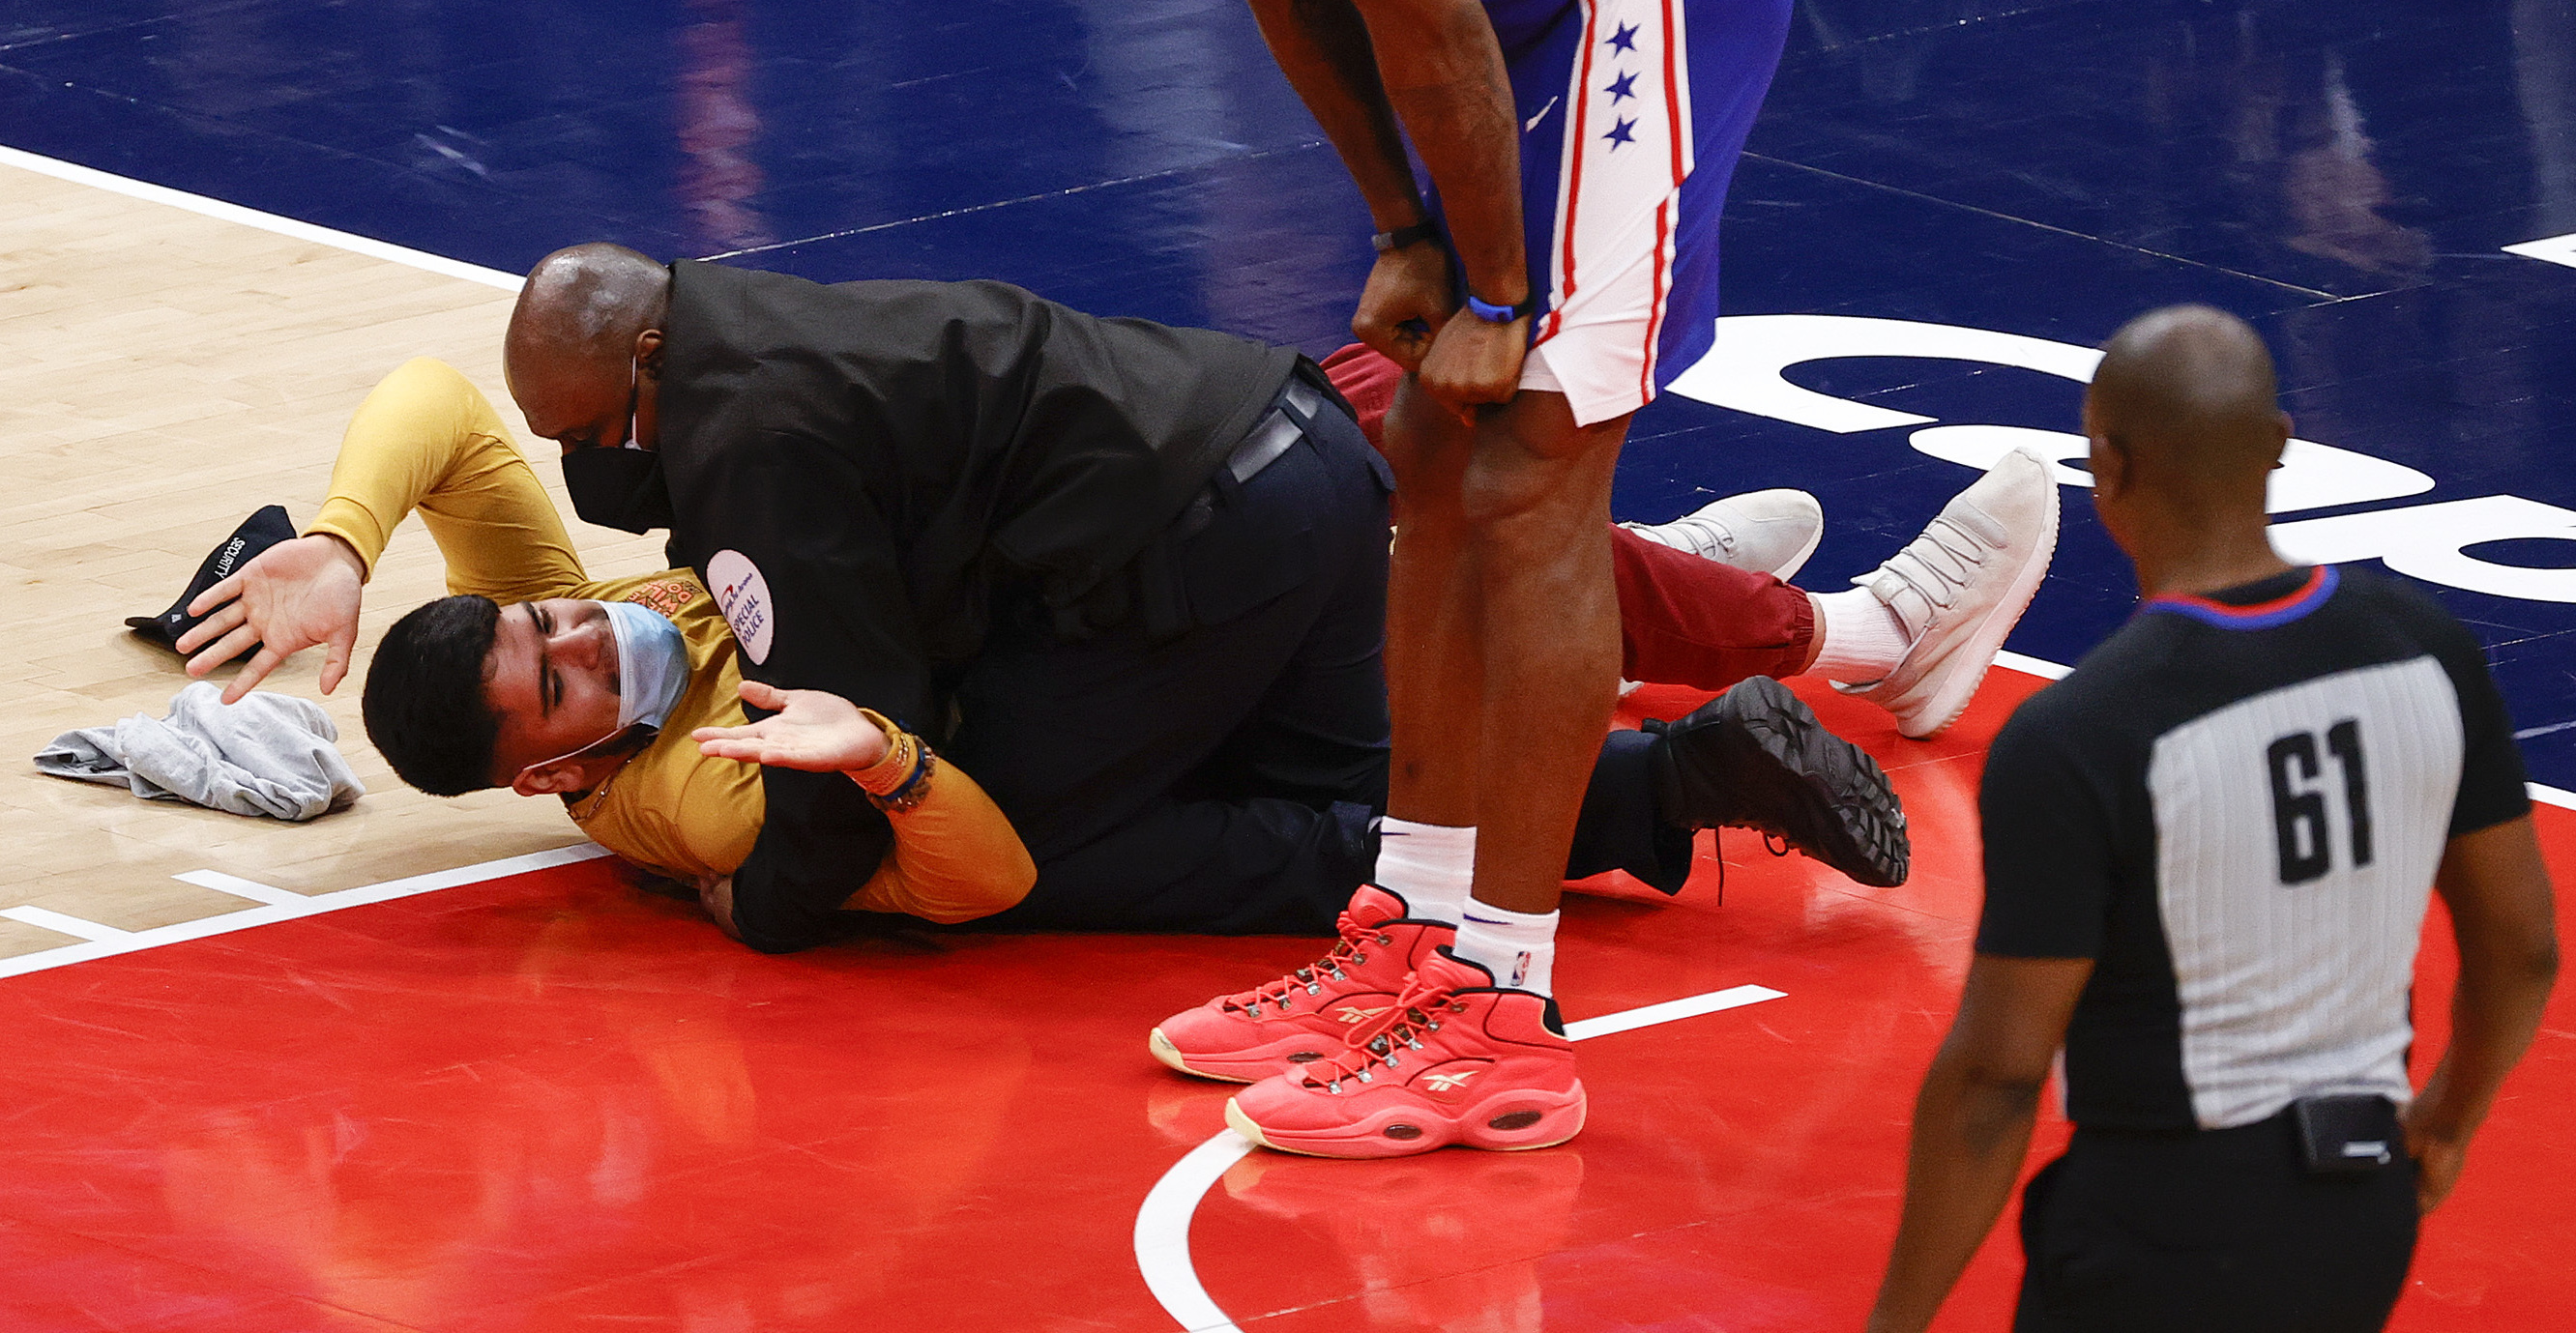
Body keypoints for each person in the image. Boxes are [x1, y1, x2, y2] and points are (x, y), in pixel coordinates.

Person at [877, 0, 2062, 1159]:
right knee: (1425, 446)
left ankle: (1504, 1002)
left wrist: (1495, 279)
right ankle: (1408, 929)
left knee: (1527, 486)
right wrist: (1396, 227)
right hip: (1506, 19)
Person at [178, 252, 2002, 952]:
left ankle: (1738, 687)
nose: (585, 615)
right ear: (547, 778)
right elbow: (924, 803)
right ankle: (1690, 687)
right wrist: (779, 850)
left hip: (1192, 530)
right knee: (1357, 689)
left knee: (1187, 834)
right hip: (1237, 435)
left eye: (557, 614)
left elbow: (955, 829)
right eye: (563, 666)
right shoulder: (666, 778)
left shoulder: (744, 476)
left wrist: (343, 534)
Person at [1863, 306, 2560, 1333]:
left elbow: (1998, 1079)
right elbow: (2526, 946)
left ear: (2105, 469)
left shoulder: (2084, 732)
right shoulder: (2427, 649)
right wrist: (2447, 1121)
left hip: (2161, 1231)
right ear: (2282, 445)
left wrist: (1897, 1320)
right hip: (2362, 1212)